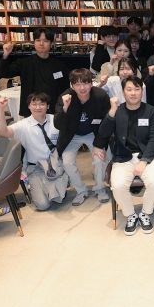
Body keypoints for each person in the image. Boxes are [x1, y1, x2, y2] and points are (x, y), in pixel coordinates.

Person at [95, 77, 154, 236]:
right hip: (123, 158)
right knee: (118, 186)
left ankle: (145, 213)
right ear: (123, 92)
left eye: (137, 89)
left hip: (147, 156)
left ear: (142, 91)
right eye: (129, 89)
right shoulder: (117, 111)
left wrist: (144, 161)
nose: (133, 93)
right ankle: (131, 214)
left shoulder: (152, 111)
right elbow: (103, 133)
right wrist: (112, 112)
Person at [0, 92, 69, 211]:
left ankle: (61, 181)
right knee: (43, 205)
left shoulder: (55, 120)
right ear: (29, 106)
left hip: (56, 165)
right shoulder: (23, 125)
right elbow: (3, 132)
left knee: (58, 195)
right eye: (34, 104)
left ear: (48, 106)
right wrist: (1, 109)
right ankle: (38, 186)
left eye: (42, 104)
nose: (38, 107)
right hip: (36, 168)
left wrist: (66, 107)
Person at [54, 68, 111, 205]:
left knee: (99, 159)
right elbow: (58, 124)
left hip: (94, 133)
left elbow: (107, 122)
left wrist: (99, 144)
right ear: (72, 85)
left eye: (85, 83)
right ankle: (81, 191)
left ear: (91, 83)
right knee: (67, 162)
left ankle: (99, 188)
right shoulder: (65, 97)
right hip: (72, 135)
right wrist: (65, 108)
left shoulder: (100, 96)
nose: (82, 88)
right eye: (77, 84)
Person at [0, 28, 69, 116]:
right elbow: (3, 73)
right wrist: (6, 54)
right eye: (38, 40)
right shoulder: (25, 63)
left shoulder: (59, 65)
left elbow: (65, 89)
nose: (41, 43)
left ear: (51, 43)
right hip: (30, 110)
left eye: (45, 41)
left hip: (53, 110)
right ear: (34, 42)